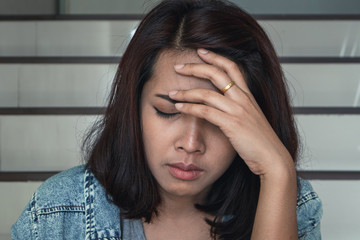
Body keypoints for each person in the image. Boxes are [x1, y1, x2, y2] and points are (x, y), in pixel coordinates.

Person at [12, 0, 322, 239]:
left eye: (218, 120)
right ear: (133, 108)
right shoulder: (60, 210)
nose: (190, 145)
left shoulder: (290, 201)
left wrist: (277, 170)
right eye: (167, 112)